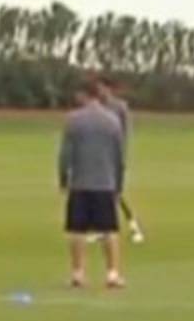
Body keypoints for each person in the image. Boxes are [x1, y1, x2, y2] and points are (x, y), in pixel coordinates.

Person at [59, 81, 126, 289]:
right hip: (105, 182)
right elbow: (119, 156)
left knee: (77, 230)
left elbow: (65, 154)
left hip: (80, 182)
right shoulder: (112, 121)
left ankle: (78, 273)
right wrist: (119, 183)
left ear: (84, 95)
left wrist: (63, 178)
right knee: (109, 230)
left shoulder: (73, 120)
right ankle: (112, 273)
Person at [97, 76, 146, 244]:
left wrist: (121, 156)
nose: (100, 92)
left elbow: (125, 133)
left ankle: (134, 226)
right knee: (102, 193)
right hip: (100, 157)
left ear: (109, 89)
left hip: (115, 157)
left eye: (102, 88)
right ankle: (104, 229)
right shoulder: (97, 107)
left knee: (116, 193)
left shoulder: (119, 107)